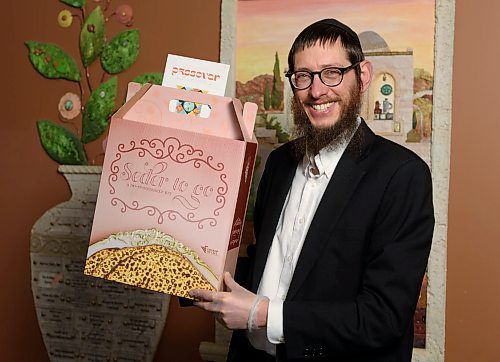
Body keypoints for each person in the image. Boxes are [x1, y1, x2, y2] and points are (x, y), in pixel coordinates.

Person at [190, 18, 434, 362]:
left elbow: (382, 317)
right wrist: (182, 263)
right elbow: (269, 267)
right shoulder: (279, 163)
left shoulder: (403, 175)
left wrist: (261, 314)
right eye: (303, 76)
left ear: (362, 76)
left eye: (332, 72)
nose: (317, 91)